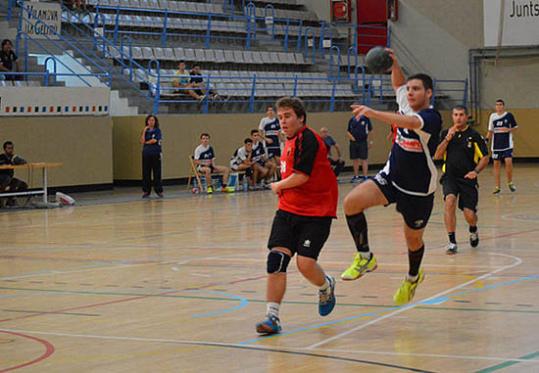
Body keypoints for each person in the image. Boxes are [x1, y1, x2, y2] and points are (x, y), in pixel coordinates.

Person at [340, 49, 442, 306]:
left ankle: (412, 277)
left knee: (413, 239)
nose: (410, 93)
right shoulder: (406, 99)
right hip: (392, 176)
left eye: (416, 89)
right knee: (351, 203)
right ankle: (365, 256)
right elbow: (398, 84)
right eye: (410, 89)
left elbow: (408, 122)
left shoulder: (430, 117)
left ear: (428, 93)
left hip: (418, 190)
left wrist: (373, 113)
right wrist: (395, 64)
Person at [256, 97, 338, 335]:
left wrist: (277, 185)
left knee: (305, 264)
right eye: (280, 117)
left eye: (288, 116)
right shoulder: (289, 141)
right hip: (288, 210)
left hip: (317, 212)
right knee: (276, 261)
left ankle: (325, 285)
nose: (283, 121)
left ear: (301, 118)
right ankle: (272, 317)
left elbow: (301, 177)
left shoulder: (309, 139)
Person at [433, 106, 489, 255]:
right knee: (449, 202)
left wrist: (475, 171)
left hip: (467, 179)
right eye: (455, 115)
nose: (458, 118)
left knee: (469, 215)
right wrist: (447, 139)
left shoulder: (474, 135)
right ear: (452, 116)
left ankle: (473, 229)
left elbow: (485, 157)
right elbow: (437, 156)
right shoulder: (446, 133)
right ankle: (452, 242)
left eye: (461, 115)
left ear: (467, 116)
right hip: (450, 177)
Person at [486, 99, 518, 194]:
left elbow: (516, 128)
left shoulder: (509, 116)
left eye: (500, 105)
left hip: (507, 144)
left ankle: (510, 182)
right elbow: (490, 131)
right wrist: (486, 140)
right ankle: (497, 186)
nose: (498, 106)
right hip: (496, 145)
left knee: (508, 162)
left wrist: (508, 129)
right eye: (497, 105)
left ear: (503, 106)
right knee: (496, 165)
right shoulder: (492, 116)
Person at [139, 115, 163, 198]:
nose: (151, 122)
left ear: (155, 121)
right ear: (147, 121)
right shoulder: (145, 131)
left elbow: (154, 140)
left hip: (156, 153)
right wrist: (144, 131)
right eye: (149, 120)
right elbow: (142, 141)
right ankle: (146, 191)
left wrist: (146, 142)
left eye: (153, 120)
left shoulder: (157, 131)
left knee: (157, 172)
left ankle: (158, 190)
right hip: (146, 154)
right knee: (146, 172)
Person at [0, 141, 28, 207]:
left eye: (12, 148)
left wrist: (17, 159)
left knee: (22, 185)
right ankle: (1, 198)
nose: (11, 150)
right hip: (1, 178)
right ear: (5, 149)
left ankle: (10, 199)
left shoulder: (13, 158)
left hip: (9, 178)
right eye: (9, 148)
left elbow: (24, 162)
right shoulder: (1, 157)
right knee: (7, 179)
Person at [347, 113, 372, 182]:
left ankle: (365, 176)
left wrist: (370, 142)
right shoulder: (351, 120)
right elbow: (348, 131)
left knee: (364, 159)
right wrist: (351, 137)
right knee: (355, 159)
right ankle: (356, 176)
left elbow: (370, 131)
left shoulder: (366, 119)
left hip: (363, 142)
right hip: (353, 143)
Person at [258, 106, 282, 179]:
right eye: (269, 110)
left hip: (276, 145)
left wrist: (283, 139)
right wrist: (266, 139)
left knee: (279, 162)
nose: (270, 112)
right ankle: (267, 179)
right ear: (266, 112)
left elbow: (280, 133)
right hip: (268, 146)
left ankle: (279, 178)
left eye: (272, 110)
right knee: (273, 163)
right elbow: (260, 132)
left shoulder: (277, 121)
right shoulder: (264, 120)